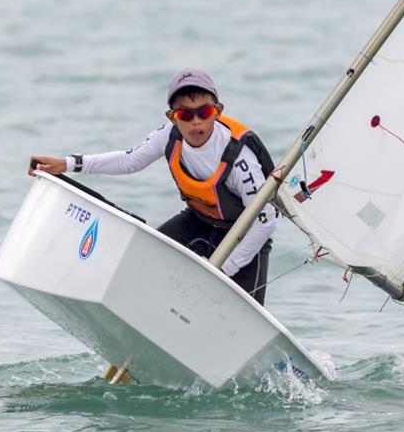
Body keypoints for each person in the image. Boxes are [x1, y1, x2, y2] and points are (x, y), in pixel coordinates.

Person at [29, 68, 277, 305]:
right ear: (172, 117)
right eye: (185, 115)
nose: (196, 123)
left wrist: (225, 269)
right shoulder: (169, 135)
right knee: (142, 263)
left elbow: (265, 221)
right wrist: (68, 164)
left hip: (244, 236)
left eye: (204, 112)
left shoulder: (239, 159)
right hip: (198, 221)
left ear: (218, 111)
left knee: (236, 309)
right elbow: (129, 161)